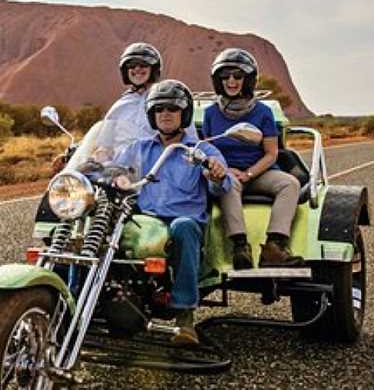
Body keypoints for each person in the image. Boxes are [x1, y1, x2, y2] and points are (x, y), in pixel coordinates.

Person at [115, 79, 232, 345]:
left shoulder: (202, 150)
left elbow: (223, 184)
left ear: (184, 114)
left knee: (184, 227)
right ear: (152, 115)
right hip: (145, 221)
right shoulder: (139, 149)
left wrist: (215, 172)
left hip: (184, 222)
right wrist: (90, 165)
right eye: (159, 109)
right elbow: (112, 167)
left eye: (172, 108)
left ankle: (184, 317)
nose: (165, 113)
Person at [202, 48, 303, 269]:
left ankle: (274, 247)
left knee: (290, 183)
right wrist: (225, 171)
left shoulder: (263, 112)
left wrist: (249, 174)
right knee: (227, 185)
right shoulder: (210, 113)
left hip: (259, 171)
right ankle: (240, 247)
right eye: (225, 76)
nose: (231, 81)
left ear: (248, 80)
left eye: (238, 76)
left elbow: (271, 153)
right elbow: (208, 149)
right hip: (227, 171)